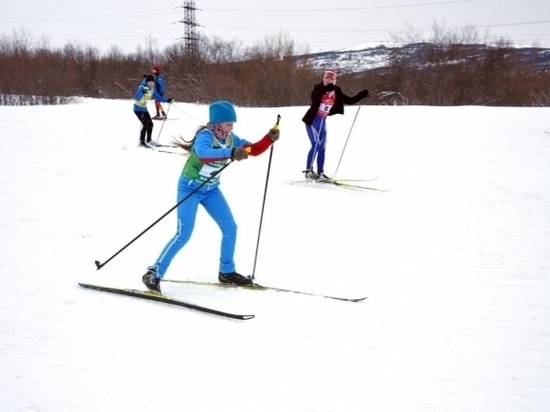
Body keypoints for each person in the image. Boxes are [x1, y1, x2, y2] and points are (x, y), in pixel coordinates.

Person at [141, 100, 280, 293]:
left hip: (211, 190)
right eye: (228, 124)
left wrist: (268, 139)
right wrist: (230, 153)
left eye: (232, 124)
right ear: (216, 123)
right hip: (189, 188)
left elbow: (252, 150)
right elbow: (203, 154)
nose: (231, 128)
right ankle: (153, 272)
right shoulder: (205, 136)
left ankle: (227, 272)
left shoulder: (231, 138)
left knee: (230, 227)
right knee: (184, 234)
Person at [301, 69, 369, 180]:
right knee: (315, 144)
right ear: (323, 78)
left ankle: (320, 173)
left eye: (332, 77)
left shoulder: (336, 91)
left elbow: (350, 100)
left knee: (322, 147)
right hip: (313, 120)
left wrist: (361, 95)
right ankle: (308, 171)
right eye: (327, 76)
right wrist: (324, 89)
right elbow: (314, 97)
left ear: (335, 80)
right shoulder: (318, 88)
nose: (329, 79)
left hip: (322, 121)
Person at [133, 74, 173, 147]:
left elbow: (159, 98)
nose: (151, 84)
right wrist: (143, 92)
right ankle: (142, 142)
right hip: (138, 109)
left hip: (144, 109)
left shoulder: (152, 90)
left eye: (152, 82)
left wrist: (167, 100)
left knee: (150, 124)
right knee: (145, 124)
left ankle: (149, 140)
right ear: (147, 82)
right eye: (149, 82)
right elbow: (137, 97)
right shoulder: (142, 87)